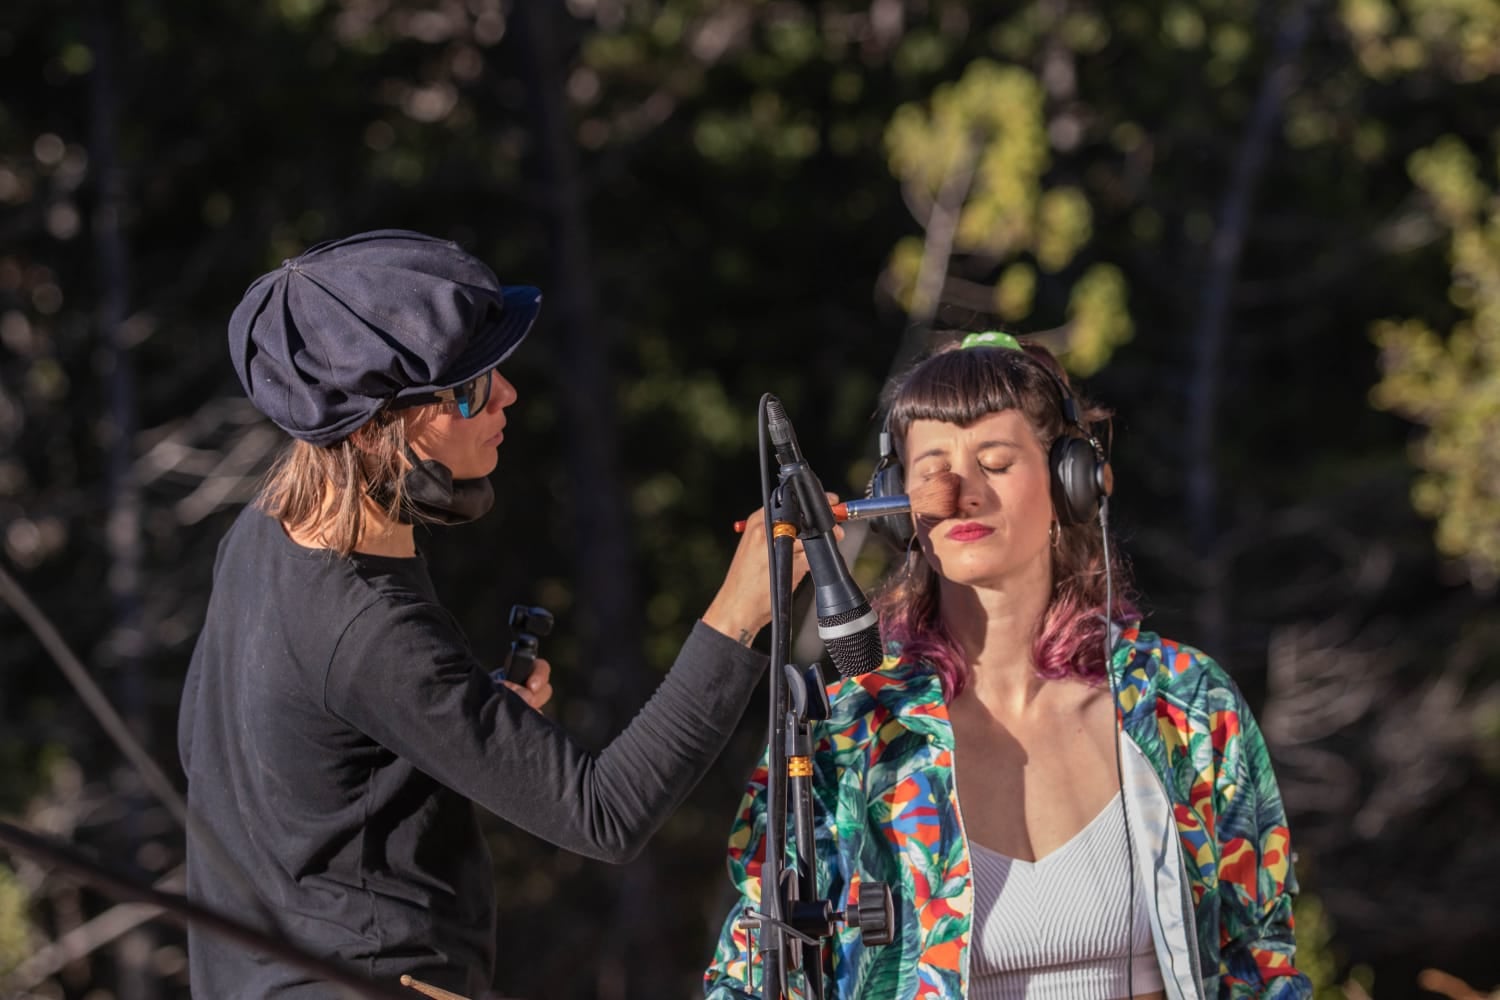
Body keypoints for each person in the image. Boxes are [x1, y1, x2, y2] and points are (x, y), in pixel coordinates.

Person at [178, 230, 790, 999]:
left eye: (495, 370)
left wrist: (447, 726)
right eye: (467, 390)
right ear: (374, 430)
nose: (506, 396)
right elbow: (604, 815)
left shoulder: (264, 535)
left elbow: (290, 764)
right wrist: (740, 614)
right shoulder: (369, 626)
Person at [704, 332, 1310, 999]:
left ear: (1068, 482)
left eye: (994, 462)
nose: (960, 491)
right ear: (897, 500)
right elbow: (749, 975)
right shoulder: (846, 731)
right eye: (930, 467)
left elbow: (1262, 967)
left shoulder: (1185, 704)